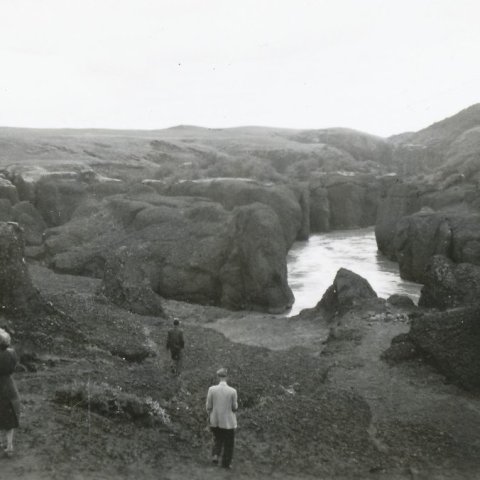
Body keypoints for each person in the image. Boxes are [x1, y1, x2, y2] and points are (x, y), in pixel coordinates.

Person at [206, 367, 238, 469]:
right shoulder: (233, 391)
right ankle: (226, 463)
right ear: (227, 377)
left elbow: (208, 406)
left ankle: (215, 454)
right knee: (229, 443)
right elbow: (234, 407)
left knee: (217, 438)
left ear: (218, 376)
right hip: (228, 422)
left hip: (215, 420)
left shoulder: (211, 389)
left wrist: (210, 415)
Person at [0, 328, 20, 458]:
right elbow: (13, 368)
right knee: (10, 419)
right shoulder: (12, 353)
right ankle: (9, 446)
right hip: (10, 387)